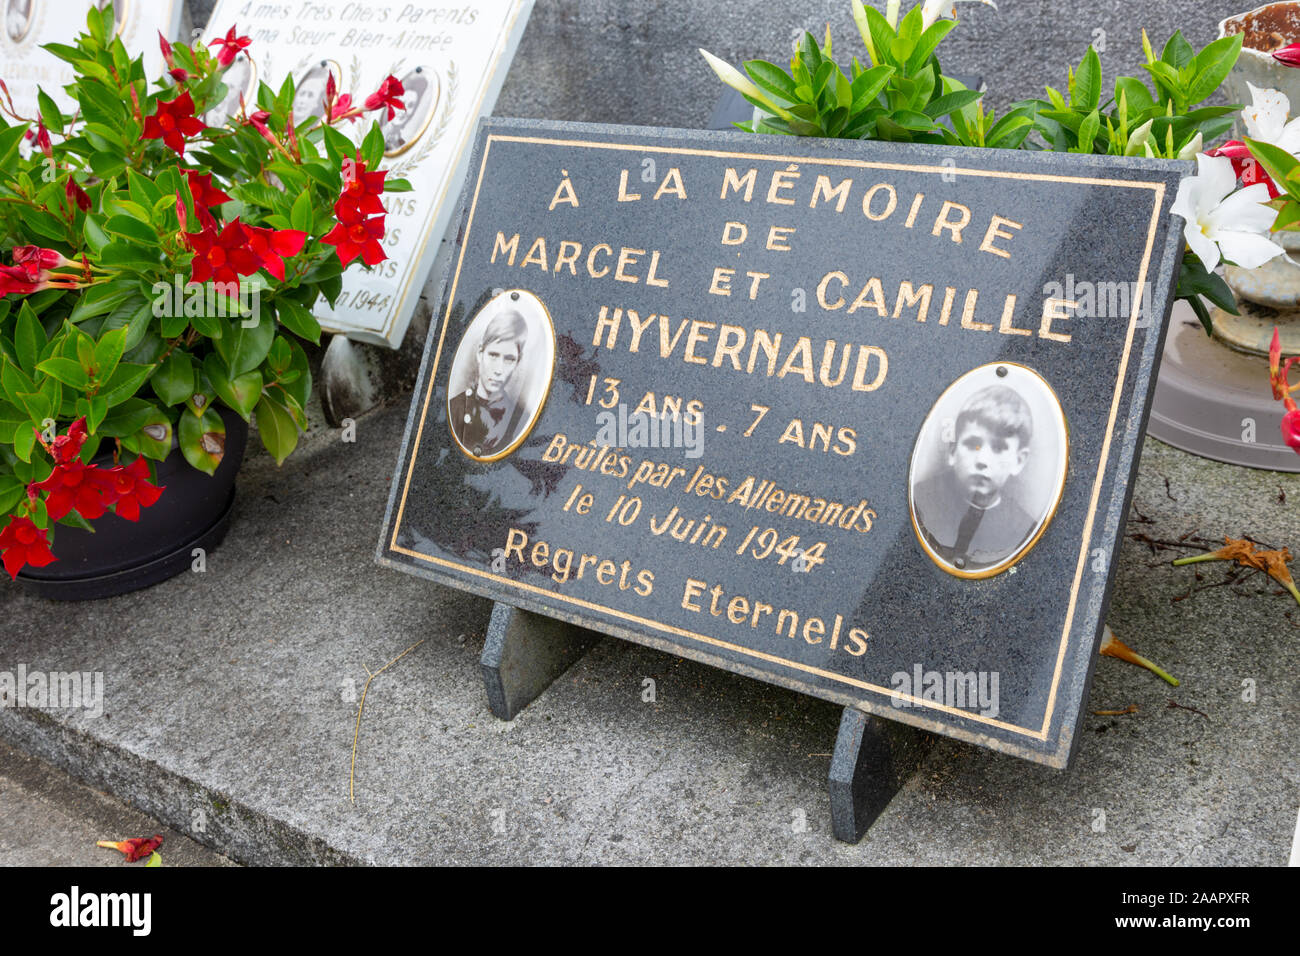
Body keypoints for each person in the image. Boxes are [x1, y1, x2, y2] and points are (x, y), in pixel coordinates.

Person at [912, 384, 1038, 572]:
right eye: (973, 445)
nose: (983, 460)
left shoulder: (1021, 529)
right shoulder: (922, 500)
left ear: (1018, 461)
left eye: (998, 448)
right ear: (953, 451)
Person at [449, 309, 529, 458]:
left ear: (517, 362)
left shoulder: (520, 419)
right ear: (480, 353)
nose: (499, 370)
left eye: (509, 359)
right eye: (493, 355)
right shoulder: (455, 407)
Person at [381, 69, 433, 153]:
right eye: (401, 103)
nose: (404, 110)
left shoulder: (402, 142)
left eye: (411, 106)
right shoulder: (379, 131)